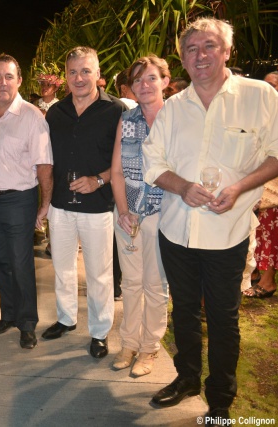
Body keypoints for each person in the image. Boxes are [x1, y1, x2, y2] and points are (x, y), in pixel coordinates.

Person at [142, 18, 278, 422]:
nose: (200, 55)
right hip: (176, 230)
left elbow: (277, 154)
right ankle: (187, 378)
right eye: (191, 49)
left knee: (222, 317)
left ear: (227, 51)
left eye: (209, 46)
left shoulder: (259, 96)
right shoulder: (173, 107)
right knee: (184, 310)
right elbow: (152, 163)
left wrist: (239, 188)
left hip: (227, 231)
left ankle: (220, 399)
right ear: (182, 60)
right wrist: (182, 186)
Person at [43, 46, 126, 359]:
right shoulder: (56, 112)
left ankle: (100, 332)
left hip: (98, 206)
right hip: (61, 205)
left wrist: (99, 180)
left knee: (99, 274)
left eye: (86, 71)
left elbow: (125, 159)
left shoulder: (116, 110)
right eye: (73, 72)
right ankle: (66, 318)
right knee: (62, 268)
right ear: (66, 76)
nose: (79, 78)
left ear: (98, 74)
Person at [0, 54, 53, 350]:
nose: (3, 82)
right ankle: (8, 314)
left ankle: (27, 323)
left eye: (9, 76)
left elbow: (44, 164)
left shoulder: (33, 117)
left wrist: (44, 203)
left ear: (19, 81)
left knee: (20, 264)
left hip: (19, 201)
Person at [110, 55, 170, 377]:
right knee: (130, 283)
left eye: (150, 78)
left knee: (155, 284)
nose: (143, 85)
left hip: (163, 214)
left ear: (165, 81)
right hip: (128, 215)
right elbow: (116, 171)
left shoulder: (175, 118)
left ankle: (150, 347)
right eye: (137, 80)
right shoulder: (127, 119)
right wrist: (123, 211)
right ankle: (129, 343)